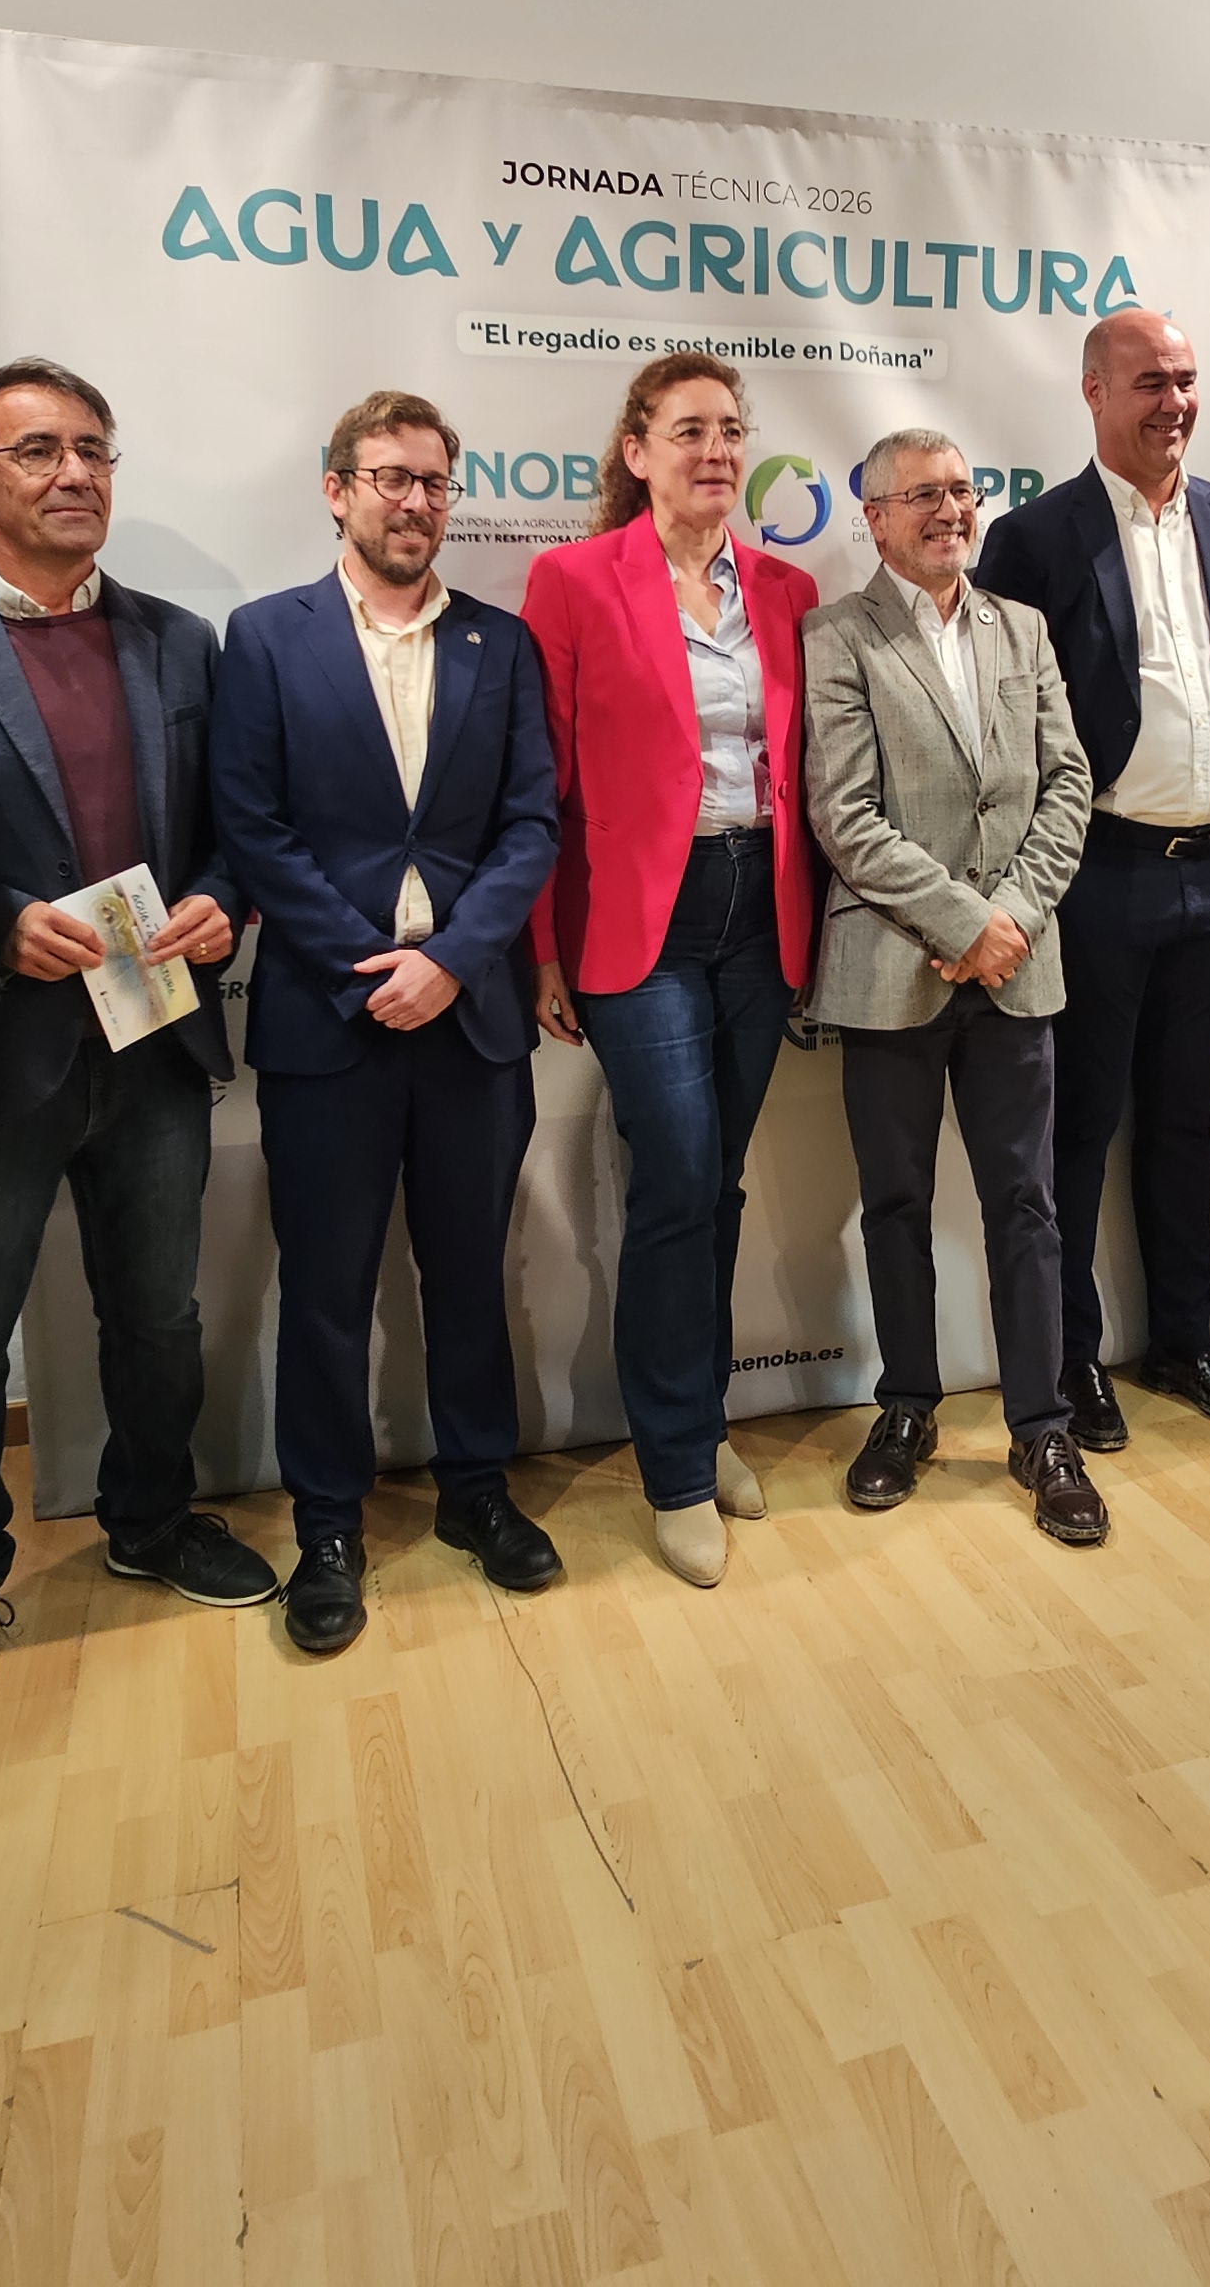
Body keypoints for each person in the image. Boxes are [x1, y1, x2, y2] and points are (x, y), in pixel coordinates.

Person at [0, 360, 269, 1725]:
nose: (74, 474)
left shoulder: (179, 641)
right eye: (39, 451)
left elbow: (228, 829)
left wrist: (222, 900)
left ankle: (150, 1520)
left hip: (152, 1042)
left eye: (93, 449)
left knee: (159, 1315)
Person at [213, 389, 562, 1654]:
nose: (415, 502)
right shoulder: (267, 636)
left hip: (469, 1021)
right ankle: (327, 1527)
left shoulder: (499, 644)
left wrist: (455, 962)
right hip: (330, 1020)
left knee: (471, 1273)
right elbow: (253, 826)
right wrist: (370, 968)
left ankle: (476, 1490)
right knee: (326, 1288)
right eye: (389, 478)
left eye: (432, 482)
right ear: (337, 490)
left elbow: (531, 824)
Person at [524, 352, 818, 1587]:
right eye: (687, 429)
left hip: (761, 912)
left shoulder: (788, 589)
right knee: (680, 1176)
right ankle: (676, 1466)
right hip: (636, 921)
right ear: (635, 451)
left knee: (720, 1183)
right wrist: (541, 946)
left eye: (730, 429)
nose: (714, 450)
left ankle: (701, 1417)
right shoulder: (573, 580)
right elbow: (537, 777)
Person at [972, 309, 1210, 1446]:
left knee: (1188, 1121)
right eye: (1150, 381)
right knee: (1080, 1125)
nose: (1175, 402)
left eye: (1186, 379)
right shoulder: (1033, 538)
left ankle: (1185, 1342)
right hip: (1097, 875)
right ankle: (1072, 1360)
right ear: (1094, 392)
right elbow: (1007, 722)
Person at [804, 428, 1105, 1543]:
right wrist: (963, 924)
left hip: (1017, 966)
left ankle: (1042, 1427)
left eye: (962, 491)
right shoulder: (835, 636)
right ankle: (907, 1411)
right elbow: (844, 815)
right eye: (922, 495)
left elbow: (1068, 784)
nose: (950, 511)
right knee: (894, 1206)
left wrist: (1008, 919)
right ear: (875, 517)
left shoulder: (1020, 629)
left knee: (1027, 1206)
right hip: (893, 967)